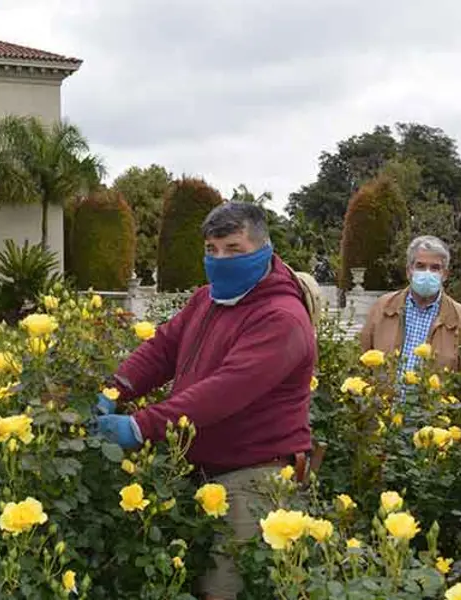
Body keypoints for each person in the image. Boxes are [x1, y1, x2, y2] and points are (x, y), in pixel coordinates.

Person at [96, 201, 317, 600]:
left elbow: (223, 391)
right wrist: (115, 389)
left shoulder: (281, 317)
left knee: (222, 589)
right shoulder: (208, 299)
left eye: (233, 249)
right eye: (212, 250)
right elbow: (163, 348)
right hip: (199, 471)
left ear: (264, 249)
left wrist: (140, 426)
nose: (220, 260)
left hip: (252, 479)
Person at [360, 235, 461, 378]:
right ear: (409, 271)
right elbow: (362, 355)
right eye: (420, 266)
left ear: (445, 274)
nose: (427, 273)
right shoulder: (383, 307)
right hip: (386, 405)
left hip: (434, 407)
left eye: (435, 268)